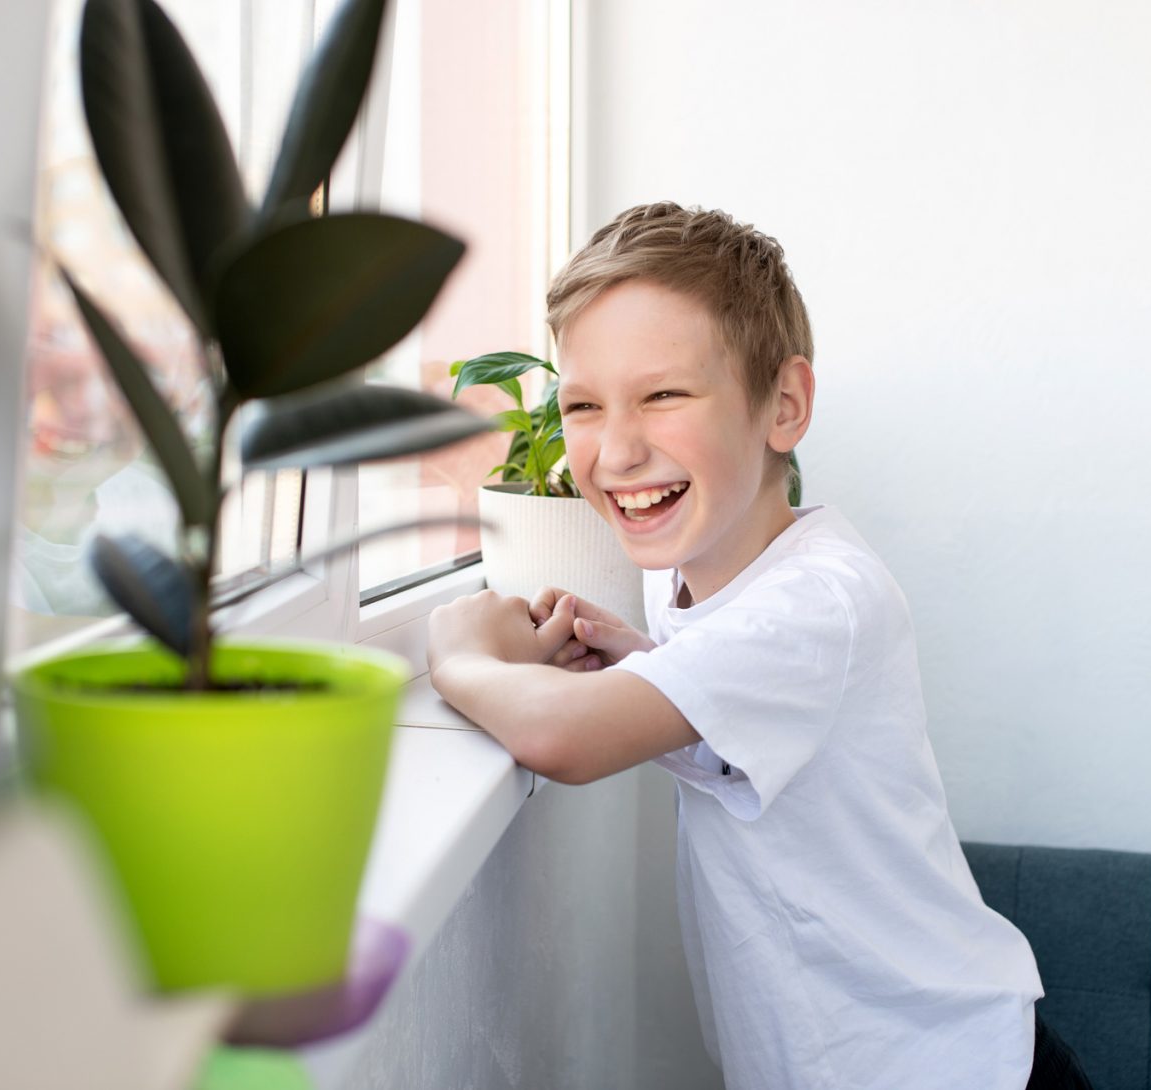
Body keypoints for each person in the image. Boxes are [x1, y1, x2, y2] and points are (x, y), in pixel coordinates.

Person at [427, 202, 1089, 1089]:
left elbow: (564, 740)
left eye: (662, 394)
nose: (616, 449)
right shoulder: (697, 572)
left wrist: (457, 648)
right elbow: (747, 722)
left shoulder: (818, 603)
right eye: (582, 404)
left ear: (785, 405)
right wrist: (644, 659)